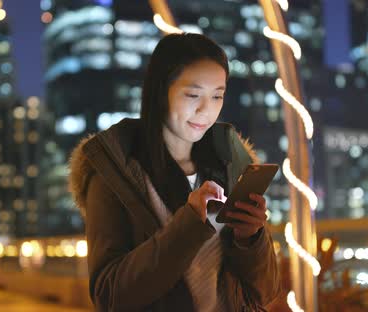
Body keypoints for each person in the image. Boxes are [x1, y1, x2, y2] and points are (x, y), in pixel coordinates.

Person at [68, 33, 280, 311]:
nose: (206, 109)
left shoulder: (228, 164)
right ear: (160, 91)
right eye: (193, 95)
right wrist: (189, 224)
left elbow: (264, 293)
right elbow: (109, 296)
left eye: (217, 96)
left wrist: (250, 239)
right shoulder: (115, 170)